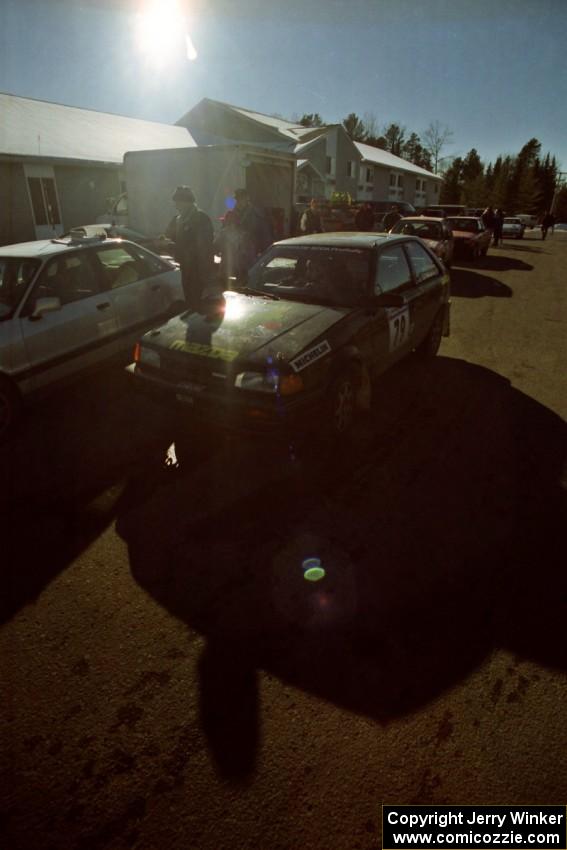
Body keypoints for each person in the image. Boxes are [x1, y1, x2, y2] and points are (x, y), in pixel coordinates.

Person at [165, 186, 214, 310]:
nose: (176, 205)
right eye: (175, 202)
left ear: (188, 202)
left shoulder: (201, 218)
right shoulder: (177, 219)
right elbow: (168, 235)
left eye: (178, 202)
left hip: (198, 269)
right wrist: (164, 241)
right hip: (184, 267)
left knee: (197, 303)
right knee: (188, 300)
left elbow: (205, 247)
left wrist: (205, 273)